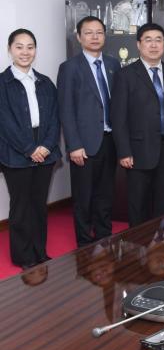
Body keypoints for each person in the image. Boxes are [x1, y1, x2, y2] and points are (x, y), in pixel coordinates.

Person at [0, 29, 62, 269]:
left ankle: (39, 251)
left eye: (30, 47)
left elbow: (55, 118)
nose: (25, 52)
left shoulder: (45, 82)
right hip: (15, 151)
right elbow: (4, 123)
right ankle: (23, 256)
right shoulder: (2, 83)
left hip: (44, 150)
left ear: (35, 50)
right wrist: (29, 148)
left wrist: (46, 146)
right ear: (10, 50)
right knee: (21, 205)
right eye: (19, 47)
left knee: (38, 204)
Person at [57, 16, 120, 247]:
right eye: (89, 33)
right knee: (83, 198)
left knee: (105, 195)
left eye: (99, 33)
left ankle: (104, 236)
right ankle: (84, 243)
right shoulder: (69, 68)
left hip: (110, 140)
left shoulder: (113, 64)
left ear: (105, 36)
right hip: (84, 144)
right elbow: (66, 109)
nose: (94, 37)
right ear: (79, 37)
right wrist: (73, 145)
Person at [111, 23, 164, 227]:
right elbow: (118, 117)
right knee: (137, 205)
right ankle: (138, 251)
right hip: (138, 152)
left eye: (158, 40)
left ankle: (161, 250)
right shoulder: (125, 75)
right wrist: (124, 151)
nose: (153, 45)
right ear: (138, 45)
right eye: (148, 40)